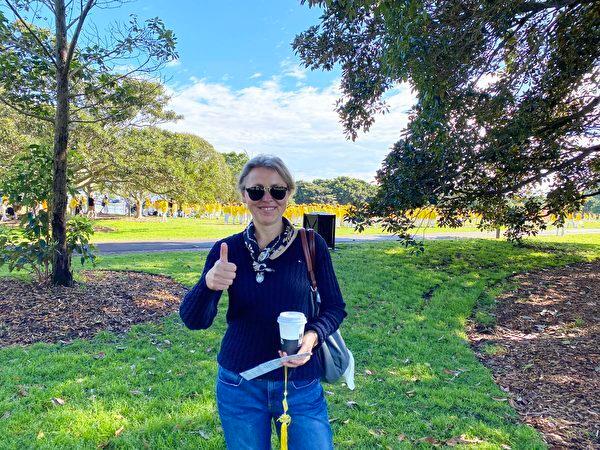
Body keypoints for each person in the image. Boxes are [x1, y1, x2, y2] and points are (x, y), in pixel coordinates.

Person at [179, 155, 346, 450]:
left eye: (277, 191)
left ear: (288, 195)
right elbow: (194, 320)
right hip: (239, 384)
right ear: (244, 194)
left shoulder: (311, 245)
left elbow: (334, 308)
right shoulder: (226, 249)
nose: (267, 199)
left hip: (300, 384)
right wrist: (208, 284)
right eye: (257, 191)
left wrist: (310, 338)